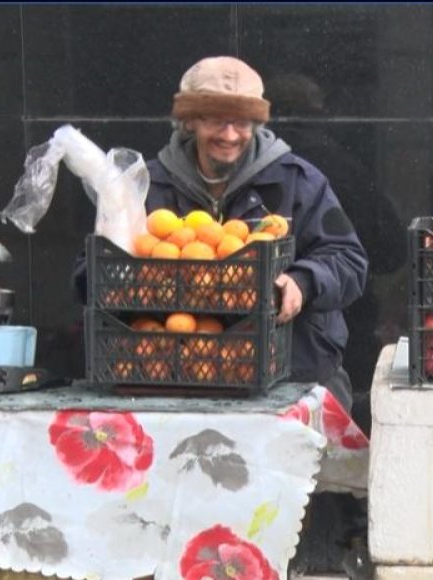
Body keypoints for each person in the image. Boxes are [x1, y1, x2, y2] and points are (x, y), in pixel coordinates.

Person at [77, 56, 369, 408]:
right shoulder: (146, 186)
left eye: (242, 122)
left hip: (292, 379)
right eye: (216, 120)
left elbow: (349, 261)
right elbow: (86, 274)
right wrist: (124, 275)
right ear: (190, 121)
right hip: (174, 378)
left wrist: (302, 282)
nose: (230, 135)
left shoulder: (297, 181)